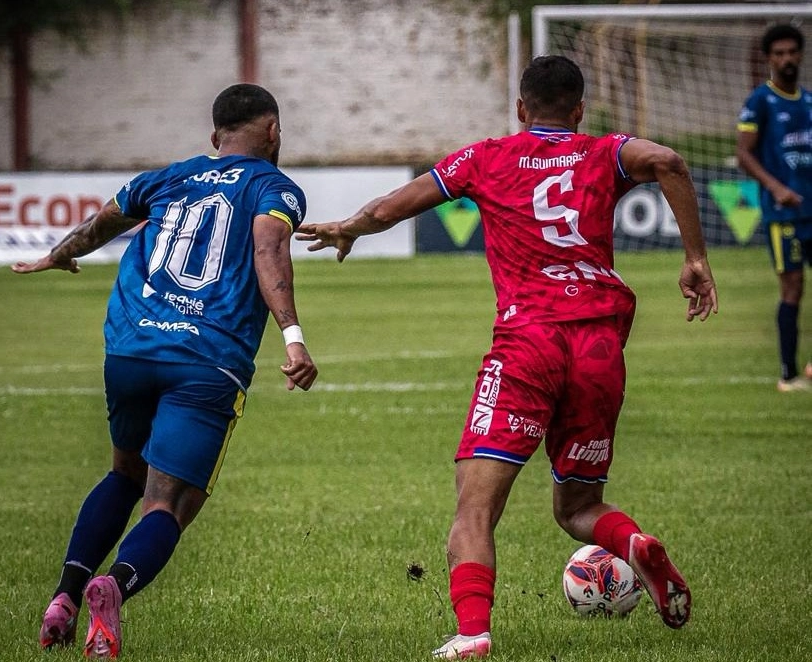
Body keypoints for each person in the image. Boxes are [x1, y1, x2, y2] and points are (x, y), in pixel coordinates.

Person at [296, 55, 717, 659]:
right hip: (599, 345)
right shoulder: (604, 152)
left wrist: (352, 227)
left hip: (528, 343)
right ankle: (633, 544)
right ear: (579, 110)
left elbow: (392, 205)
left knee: (475, 506)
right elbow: (669, 162)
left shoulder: (487, 157)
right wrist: (695, 258)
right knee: (578, 505)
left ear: (521, 109)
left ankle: (473, 633)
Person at [12, 83, 318, 658]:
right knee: (167, 504)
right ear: (273, 131)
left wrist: (58, 254)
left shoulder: (167, 177)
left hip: (131, 350)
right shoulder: (274, 187)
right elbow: (269, 250)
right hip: (206, 360)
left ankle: (65, 596)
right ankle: (113, 586)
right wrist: (294, 338)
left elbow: (101, 224)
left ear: (214, 136)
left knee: (124, 473)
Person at [736, 23, 812, 392]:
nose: (786, 59)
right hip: (783, 216)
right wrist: (776, 187)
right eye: (779, 53)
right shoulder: (760, 101)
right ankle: (788, 374)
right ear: (769, 58)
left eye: (791, 52)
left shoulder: (808, 101)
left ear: (801, 55)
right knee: (792, 288)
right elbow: (743, 153)